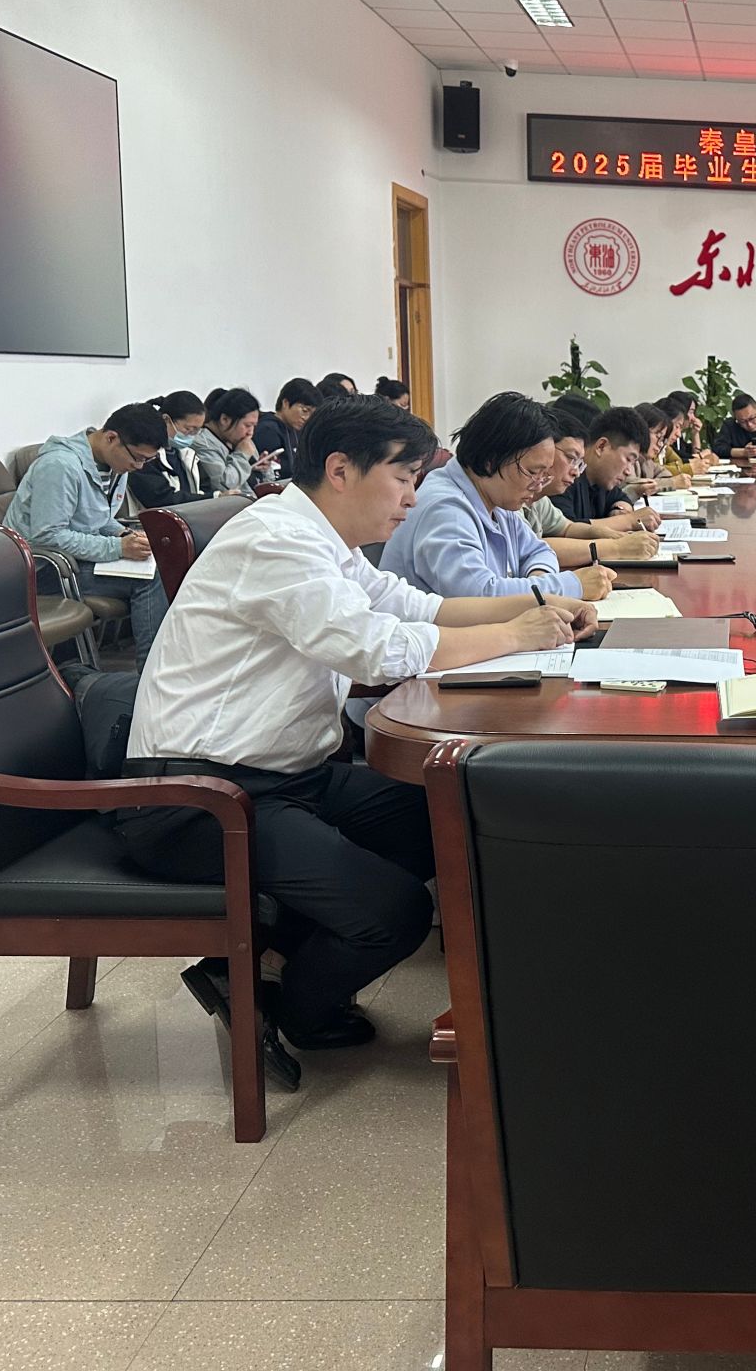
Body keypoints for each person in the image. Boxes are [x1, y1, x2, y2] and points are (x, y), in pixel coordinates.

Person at [116, 396, 596, 1074]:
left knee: (446, 818)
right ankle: (289, 1009)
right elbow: (376, 649)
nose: (412, 498)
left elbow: (418, 606)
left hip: (284, 777)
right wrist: (516, 634)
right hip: (200, 797)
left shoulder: (324, 540)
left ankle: (262, 957)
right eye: (402, 478)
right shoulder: (277, 541)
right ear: (341, 470)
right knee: (392, 914)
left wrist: (546, 603)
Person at [380, 391, 618, 601]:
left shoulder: (497, 499)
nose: (538, 485)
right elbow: (481, 597)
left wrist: (538, 581)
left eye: (544, 474)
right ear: (491, 460)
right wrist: (570, 586)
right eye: (532, 472)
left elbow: (539, 551)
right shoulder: (446, 509)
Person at [7, 402, 173, 661]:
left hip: (76, 560)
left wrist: (123, 535)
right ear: (111, 438)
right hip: (43, 569)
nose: (139, 466)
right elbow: (47, 537)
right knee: (151, 579)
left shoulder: (115, 464)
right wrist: (117, 548)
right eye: (138, 458)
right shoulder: (60, 465)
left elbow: (100, 518)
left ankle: (164, 664)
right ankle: (151, 672)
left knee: (165, 562)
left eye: (146, 460)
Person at [527, 400, 661, 562]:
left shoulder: (540, 500)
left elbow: (567, 527)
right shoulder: (551, 485)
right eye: (571, 457)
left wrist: (614, 535)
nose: (576, 471)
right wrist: (618, 544)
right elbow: (532, 548)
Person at [554, 403, 649, 524]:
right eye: (628, 459)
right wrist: (628, 521)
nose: (628, 471)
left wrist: (619, 509)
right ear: (601, 446)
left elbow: (621, 498)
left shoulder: (601, 479)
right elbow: (567, 529)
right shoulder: (565, 477)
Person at [130, 391, 215, 509]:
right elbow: (163, 498)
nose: (192, 435)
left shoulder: (189, 456)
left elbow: (205, 488)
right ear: (166, 420)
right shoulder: (145, 456)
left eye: (197, 430)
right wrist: (211, 498)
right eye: (189, 429)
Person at [193, 388, 278, 494]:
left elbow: (267, 483)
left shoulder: (237, 438)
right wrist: (242, 455)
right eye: (247, 425)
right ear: (225, 420)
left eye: (254, 426)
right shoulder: (203, 443)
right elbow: (224, 486)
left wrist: (263, 469)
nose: (250, 432)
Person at [253, 378, 321, 481]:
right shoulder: (268, 431)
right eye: (304, 411)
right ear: (285, 403)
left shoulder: (295, 429)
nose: (307, 418)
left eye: (312, 414)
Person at [624, 402, 690, 497]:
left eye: (662, 439)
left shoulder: (647, 461)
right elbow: (635, 487)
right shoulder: (626, 460)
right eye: (658, 436)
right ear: (642, 430)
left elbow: (666, 474)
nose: (660, 444)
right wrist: (672, 483)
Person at [711, 393, 756, 460]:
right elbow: (718, 449)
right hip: (739, 465)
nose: (749, 424)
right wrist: (743, 452)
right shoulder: (730, 426)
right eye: (743, 421)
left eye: (752, 418)